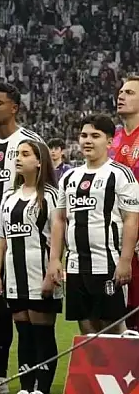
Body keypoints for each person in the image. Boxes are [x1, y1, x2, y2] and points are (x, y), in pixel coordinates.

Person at [0, 83, 44, 393]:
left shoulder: (30, 142)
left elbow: (45, 185)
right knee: (0, 312)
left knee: (31, 314)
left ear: (14, 107)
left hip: (26, 239)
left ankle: (36, 378)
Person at [47, 115, 139, 335]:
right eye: (84, 135)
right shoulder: (69, 177)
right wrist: (54, 259)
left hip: (107, 263)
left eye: (95, 136)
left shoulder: (120, 174)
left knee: (112, 327)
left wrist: (125, 260)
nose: (87, 140)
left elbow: (131, 219)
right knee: (86, 328)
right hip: (76, 265)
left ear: (109, 142)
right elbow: (59, 219)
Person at [0, 140, 61, 394]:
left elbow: (58, 236)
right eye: (17, 154)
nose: (18, 158)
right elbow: (2, 238)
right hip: (14, 276)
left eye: (25, 154)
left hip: (40, 273)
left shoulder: (51, 196)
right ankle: (26, 386)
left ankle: (42, 388)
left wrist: (52, 270)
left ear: (39, 161)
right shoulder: (9, 197)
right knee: (23, 333)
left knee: (42, 333)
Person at [112, 75, 139, 331]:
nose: (121, 96)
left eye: (129, 92)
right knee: (117, 312)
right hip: (113, 237)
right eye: (121, 92)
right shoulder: (113, 139)